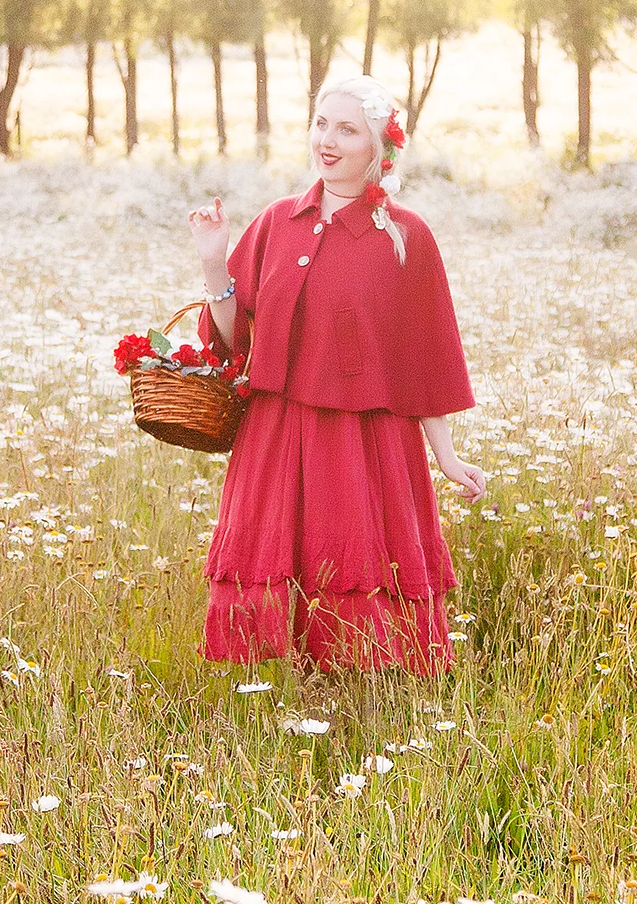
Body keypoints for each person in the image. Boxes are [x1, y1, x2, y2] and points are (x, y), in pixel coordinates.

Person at [184, 73, 488, 673]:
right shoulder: (276, 222)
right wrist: (214, 261)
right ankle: (270, 693)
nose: (327, 140)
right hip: (274, 438)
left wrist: (447, 458)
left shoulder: (408, 237)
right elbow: (230, 340)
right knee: (271, 576)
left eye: (347, 129)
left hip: (365, 445)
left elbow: (428, 359)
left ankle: (364, 701)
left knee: (354, 576)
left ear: (380, 147)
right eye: (322, 124)